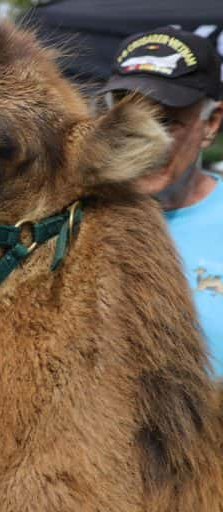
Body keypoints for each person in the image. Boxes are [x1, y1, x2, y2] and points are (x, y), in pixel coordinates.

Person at [100, 26, 223, 375]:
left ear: (211, 122)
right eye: (129, 118)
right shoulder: (77, 218)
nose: (144, 141)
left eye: (167, 121)